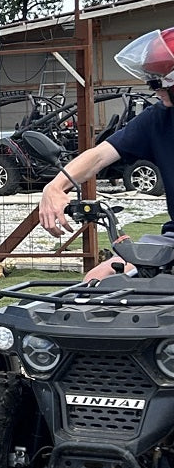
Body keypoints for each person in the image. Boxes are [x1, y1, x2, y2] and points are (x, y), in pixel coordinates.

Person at [40, 27, 174, 280]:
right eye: (152, 80)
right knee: (97, 280)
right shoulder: (159, 120)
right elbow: (100, 155)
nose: (154, 88)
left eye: (159, 81)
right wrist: (55, 187)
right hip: (171, 241)